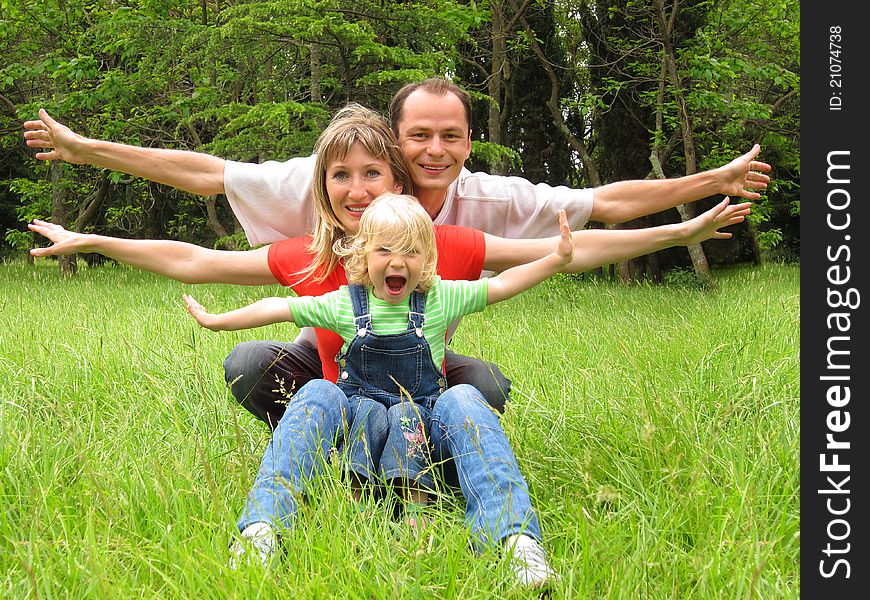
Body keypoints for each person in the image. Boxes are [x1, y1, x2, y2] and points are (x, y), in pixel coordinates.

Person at [28, 104, 751, 588]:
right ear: (320, 185)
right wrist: (92, 232)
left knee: (480, 391)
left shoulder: (452, 244)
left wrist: (680, 230)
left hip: (429, 393)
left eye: (372, 174)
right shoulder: (308, 246)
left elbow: (572, 242)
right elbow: (196, 254)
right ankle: (295, 502)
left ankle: (493, 527)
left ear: (400, 180)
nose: (355, 187)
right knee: (266, 370)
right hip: (336, 389)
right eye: (340, 176)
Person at [22, 78, 772, 423]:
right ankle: (323, 445)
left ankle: (424, 453)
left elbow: (589, 223)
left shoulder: (470, 217)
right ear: (396, 142)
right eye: (420, 136)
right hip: (330, 346)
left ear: (466, 144)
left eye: (451, 136)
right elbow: (200, 207)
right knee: (254, 363)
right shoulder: (323, 194)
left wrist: (690, 214)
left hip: (418, 357)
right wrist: (87, 162)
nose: (436, 151)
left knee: (484, 389)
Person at [182, 194, 578, 586]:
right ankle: (263, 530)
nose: (397, 260)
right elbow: (277, 307)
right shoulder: (342, 305)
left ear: (427, 259)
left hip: (421, 437)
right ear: (363, 255)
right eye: (385, 249)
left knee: (463, 397)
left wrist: (555, 260)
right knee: (320, 390)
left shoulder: (440, 298)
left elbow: (504, 284)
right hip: (353, 438)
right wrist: (219, 321)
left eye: (411, 251)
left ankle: (514, 540)